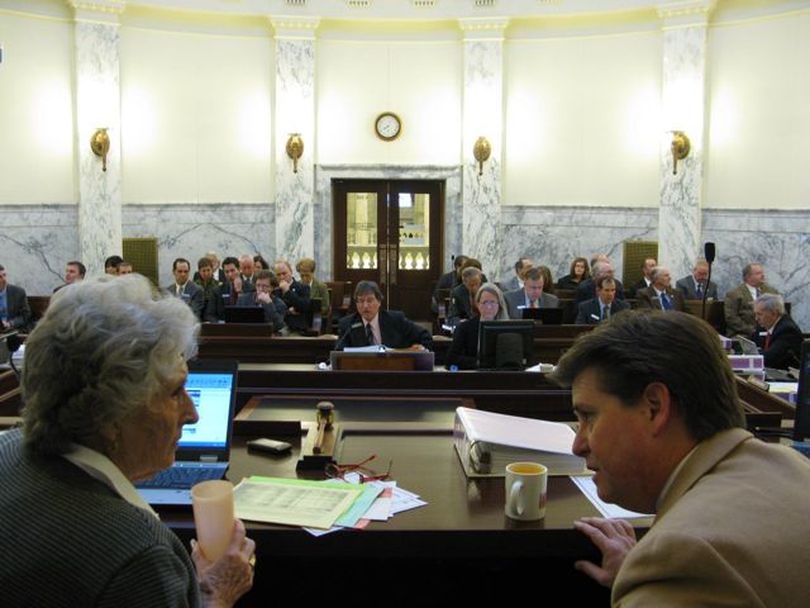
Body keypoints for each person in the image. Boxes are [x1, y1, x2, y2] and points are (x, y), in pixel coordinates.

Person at [0, 275, 255, 606]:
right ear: (109, 417)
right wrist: (214, 592)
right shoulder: (139, 555)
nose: (193, 414)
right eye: (175, 392)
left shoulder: (7, 448)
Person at [551, 311, 810, 607]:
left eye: (588, 417)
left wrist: (654, 582)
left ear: (654, 407)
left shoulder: (684, 560)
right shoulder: (789, 464)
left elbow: (703, 564)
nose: (578, 444)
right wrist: (639, 578)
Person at [336, 280, 432, 351]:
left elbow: (425, 336)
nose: (365, 306)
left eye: (370, 300)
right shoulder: (348, 324)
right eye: (360, 301)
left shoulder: (396, 320)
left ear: (379, 302)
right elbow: (339, 352)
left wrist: (421, 349)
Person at [445, 283, 508, 370]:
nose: (489, 307)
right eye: (485, 302)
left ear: (499, 305)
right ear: (478, 304)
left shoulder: (506, 328)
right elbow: (450, 360)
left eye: (493, 302)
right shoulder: (465, 328)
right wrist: (479, 362)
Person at [724, 263, 779, 336]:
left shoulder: (771, 292)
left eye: (762, 273)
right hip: (744, 334)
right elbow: (731, 318)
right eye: (758, 273)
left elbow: (780, 313)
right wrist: (752, 331)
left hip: (769, 333)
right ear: (748, 277)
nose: (763, 275)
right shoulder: (734, 294)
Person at [753, 293, 803, 369]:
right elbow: (754, 344)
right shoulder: (764, 325)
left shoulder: (787, 330)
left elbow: (769, 358)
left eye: (759, 314)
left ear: (774, 313)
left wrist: (752, 354)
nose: (756, 319)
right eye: (755, 314)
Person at [273, 259, 312, 333]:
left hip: (296, 328)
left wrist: (288, 292)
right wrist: (288, 311)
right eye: (278, 274)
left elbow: (304, 307)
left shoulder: (303, 287)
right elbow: (274, 310)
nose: (281, 277)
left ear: (291, 272)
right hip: (277, 329)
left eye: (284, 273)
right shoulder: (274, 290)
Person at [0, 264, 32, 332]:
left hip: (13, 331)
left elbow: (25, 315)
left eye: (4, 275)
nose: (4, 279)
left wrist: (10, 323)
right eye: (0, 277)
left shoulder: (18, 292)